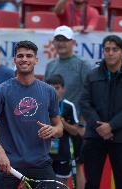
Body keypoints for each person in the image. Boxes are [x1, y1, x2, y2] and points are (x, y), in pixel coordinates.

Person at [0, 40, 63, 189]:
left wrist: (54, 130)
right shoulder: (1, 91)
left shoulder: (49, 91)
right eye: (20, 56)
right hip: (9, 164)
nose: (24, 59)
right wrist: (0, 153)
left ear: (36, 60)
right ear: (15, 60)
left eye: (29, 56)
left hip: (41, 164)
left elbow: (59, 126)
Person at [80, 35, 122, 189]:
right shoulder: (92, 75)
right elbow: (84, 103)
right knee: (92, 182)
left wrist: (111, 126)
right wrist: (99, 127)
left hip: (121, 137)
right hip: (95, 136)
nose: (110, 53)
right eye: (107, 49)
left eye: (115, 49)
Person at [44, 25, 91, 189]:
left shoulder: (83, 65)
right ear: (54, 43)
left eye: (65, 40)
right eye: (58, 40)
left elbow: (89, 95)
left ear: (73, 42)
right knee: (51, 169)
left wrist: (82, 124)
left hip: (74, 126)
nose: (61, 43)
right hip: (53, 126)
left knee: (77, 166)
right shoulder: (50, 66)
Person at [45, 74, 79, 186]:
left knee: (62, 184)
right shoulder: (41, 105)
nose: (54, 90)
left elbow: (75, 131)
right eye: (51, 87)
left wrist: (63, 123)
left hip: (63, 152)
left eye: (57, 87)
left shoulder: (69, 106)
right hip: (44, 152)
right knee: (43, 183)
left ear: (63, 89)